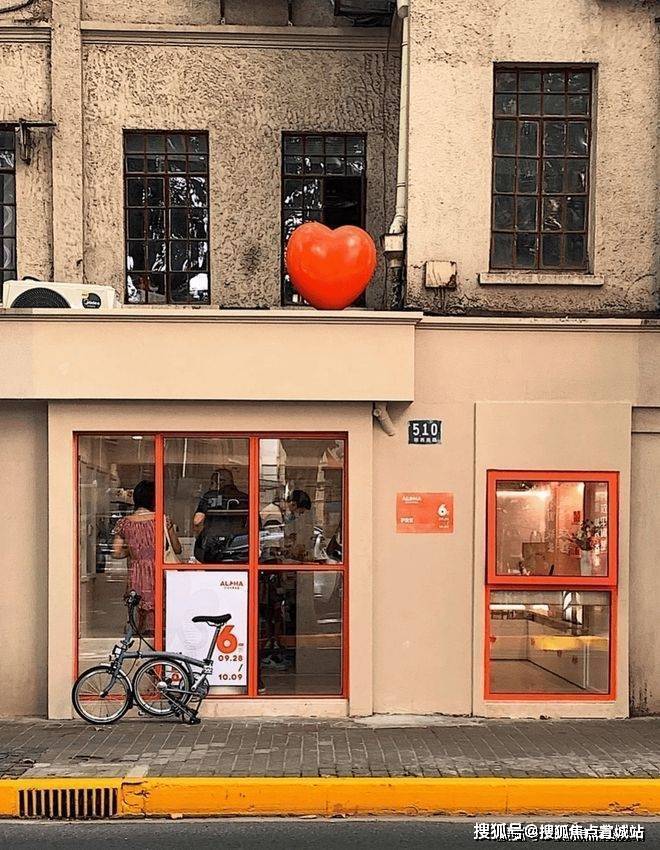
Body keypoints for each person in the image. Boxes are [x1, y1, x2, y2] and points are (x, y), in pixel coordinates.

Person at [112, 479, 181, 636]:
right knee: (160, 605)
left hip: (137, 572)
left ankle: (140, 636)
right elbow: (177, 548)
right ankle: (159, 636)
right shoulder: (163, 520)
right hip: (159, 570)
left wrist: (134, 551)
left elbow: (116, 552)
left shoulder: (124, 523)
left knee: (139, 606)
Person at [192, 468, 249, 563]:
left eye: (212, 483)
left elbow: (197, 521)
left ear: (219, 482)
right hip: (238, 548)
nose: (210, 487)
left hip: (212, 549)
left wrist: (200, 539)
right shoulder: (245, 498)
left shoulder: (210, 496)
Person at [259, 489, 313, 563]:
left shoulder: (277, 512)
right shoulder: (274, 515)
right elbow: (272, 548)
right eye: (300, 512)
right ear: (293, 504)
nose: (297, 516)